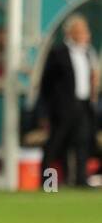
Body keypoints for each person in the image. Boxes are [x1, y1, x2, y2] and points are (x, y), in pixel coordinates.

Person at [37, 15, 98, 187]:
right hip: (62, 108)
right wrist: (44, 111)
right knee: (55, 146)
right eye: (80, 31)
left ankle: (81, 181)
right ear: (70, 33)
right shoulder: (58, 54)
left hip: (83, 105)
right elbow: (46, 85)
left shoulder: (88, 53)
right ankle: (48, 183)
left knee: (82, 143)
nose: (84, 35)